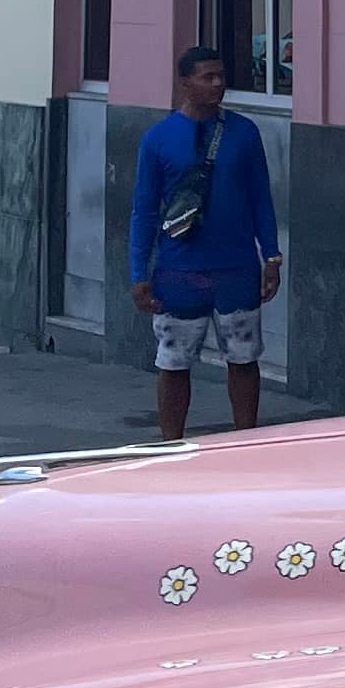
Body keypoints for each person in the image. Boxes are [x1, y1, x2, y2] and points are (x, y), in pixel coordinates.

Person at [128, 44, 283, 441]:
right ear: (184, 83)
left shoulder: (244, 133)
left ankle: (245, 441)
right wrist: (138, 274)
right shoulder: (158, 139)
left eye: (221, 76)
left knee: (244, 358)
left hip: (236, 268)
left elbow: (260, 198)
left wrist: (272, 256)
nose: (218, 84)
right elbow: (144, 211)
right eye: (207, 77)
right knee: (173, 362)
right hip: (179, 271)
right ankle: (170, 445)